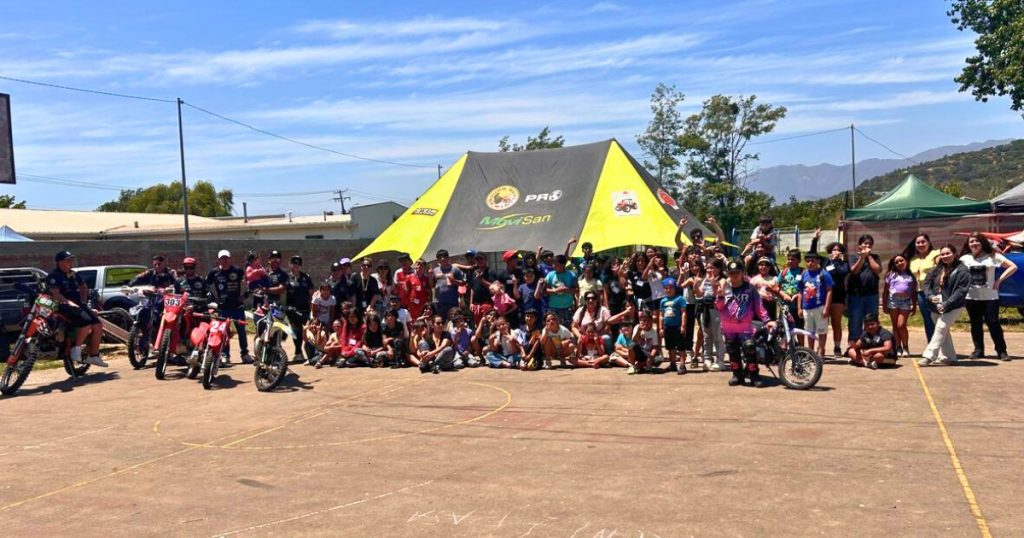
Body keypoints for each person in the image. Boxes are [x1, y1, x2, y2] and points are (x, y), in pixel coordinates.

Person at [960, 232, 1017, 361]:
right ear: (968, 244)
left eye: (977, 241)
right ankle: (978, 350)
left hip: (990, 297)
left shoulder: (993, 256)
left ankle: (1001, 351)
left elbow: (1013, 267)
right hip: (971, 297)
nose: (974, 244)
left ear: (982, 243)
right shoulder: (964, 258)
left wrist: (999, 281)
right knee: (975, 324)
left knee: (993, 323)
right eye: (971, 241)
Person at [717, 259, 773, 387]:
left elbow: (759, 306)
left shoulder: (750, 288)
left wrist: (767, 320)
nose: (734, 275)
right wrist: (719, 296)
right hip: (728, 326)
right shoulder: (725, 288)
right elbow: (719, 308)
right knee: (732, 350)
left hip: (745, 326)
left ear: (742, 272)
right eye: (731, 273)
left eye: (737, 272)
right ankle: (737, 374)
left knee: (749, 349)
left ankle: (754, 374)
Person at [46, 251, 107, 367]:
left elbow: (83, 286)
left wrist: (83, 301)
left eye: (71, 260)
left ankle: (93, 355)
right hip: (63, 306)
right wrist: (68, 302)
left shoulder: (73, 274)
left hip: (78, 305)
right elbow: (55, 294)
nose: (70, 262)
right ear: (59, 262)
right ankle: (76, 349)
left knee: (98, 325)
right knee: (86, 323)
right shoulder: (54, 276)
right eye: (67, 260)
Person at [919, 245, 970, 366]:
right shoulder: (937, 269)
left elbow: (961, 291)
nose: (945, 256)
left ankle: (929, 355)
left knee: (941, 327)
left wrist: (947, 303)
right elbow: (926, 284)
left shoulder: (963, 270)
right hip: (935, 305)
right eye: (943, 254)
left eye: (948, 254)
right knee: (943, 331)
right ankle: (949, 357)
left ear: (955, 254)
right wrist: (930, 296)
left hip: (954, 305)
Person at [206, 250, 250, 364]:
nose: (224, 261)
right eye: (222, 258)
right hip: (223, 308)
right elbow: (208, 286)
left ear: (230, 259)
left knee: (241, 331)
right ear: (218, 260)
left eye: (226, 258)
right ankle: (225, 355)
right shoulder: (214, 273)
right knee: (224, 332)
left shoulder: (238, 271)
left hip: (237, 307)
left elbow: (246, 285)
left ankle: (245, 354)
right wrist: (214, 299)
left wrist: (243, 296)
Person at [904, 234, 940, 342]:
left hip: (934, 291)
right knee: (927, 320)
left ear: (929, 243)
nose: (920, 244)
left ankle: (942, 346)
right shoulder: (913, 259)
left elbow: (942, 268)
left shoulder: (936, 254)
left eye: (923, 242)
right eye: (918, 243)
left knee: (937, 319)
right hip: (920, 292)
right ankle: (931, 345)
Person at [846, 235, 882, 343]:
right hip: (856, 295)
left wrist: (869, 256)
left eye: (870, 244)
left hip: (871, 295)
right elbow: (854, 270)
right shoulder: (853, 257)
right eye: (865, 243)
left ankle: (871, 343)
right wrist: (862, 257)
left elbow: (877, 270)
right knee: (855, 321)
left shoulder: (875, 257)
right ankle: (854, 346)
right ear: (859, 245)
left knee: (871, 321)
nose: (867, 246)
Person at [798, 252, 833, 359]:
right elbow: (800, 291)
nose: (810, 263)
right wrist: (800, 307)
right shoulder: (803, 274)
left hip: (820, 306)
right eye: (808, 261)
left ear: (818, 261)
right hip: (807, 308)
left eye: (813, 261)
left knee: (821, 330)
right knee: (809, 331)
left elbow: (829, 291)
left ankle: (821, 351)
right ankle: (811, 353)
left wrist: (827, 307)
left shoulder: (824, 274)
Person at [882, 254, 916, 357]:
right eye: (896, 262)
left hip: (906, 301)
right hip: (893, 300)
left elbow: (914, 292)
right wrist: (884, 304)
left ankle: (906, 347)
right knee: (895, 325)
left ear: (906, 261)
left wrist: (914, 305)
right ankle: (898, 347)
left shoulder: (911, 275)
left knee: (901, 325)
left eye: (901, 261)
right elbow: (885, 291)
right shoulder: (891, 274)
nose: (899, 263)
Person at [697, 258, 726, 371]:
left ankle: (720, 360)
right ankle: (707, 358)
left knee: (717, 336)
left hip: (716, 309)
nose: (709, 270)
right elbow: (699, 293)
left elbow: (719, 293)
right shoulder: (705, 279)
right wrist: (695, 285)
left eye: (712, 268)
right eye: (708, 267)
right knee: (706, 335)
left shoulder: (722, 280)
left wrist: (713, 282)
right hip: (705, 309)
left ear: (718, 269)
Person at [284, 255, 314, 360]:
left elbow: (311, 293)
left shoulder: (306, 277)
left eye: (298, 264)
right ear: (290, 265)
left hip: (305, 309)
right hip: (292, 309)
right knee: (296, 331)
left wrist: (312, 308)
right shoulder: (286, 277)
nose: (296, 266)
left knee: (306, 331)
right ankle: (298, 352)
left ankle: (311, 353)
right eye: (294, 263)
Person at [658, 277, 689, 374]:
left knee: (681, 347)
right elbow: (661, 315)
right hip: (667, 327)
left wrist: (683, 326)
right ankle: (672, 364)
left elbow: (684, 313)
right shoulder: (663, 301)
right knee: (670, 346)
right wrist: (660, 328)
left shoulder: (680, 299)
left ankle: (682, 365)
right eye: (666, 288)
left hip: (677, 326)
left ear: (675, 288)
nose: (668, 290)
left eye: (670, 288)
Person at [777, 249, 805, 344]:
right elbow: (776, 287)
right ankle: (789, 349)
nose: (790, 261)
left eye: (792, 259)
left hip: (798, 306)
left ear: (799, 260)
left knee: (799, 328)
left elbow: (807, 287)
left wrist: (798, 295)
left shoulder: (803, 272)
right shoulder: (784, 272)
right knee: (786, 328)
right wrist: (783, 295)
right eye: (788, 259)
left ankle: (802, 349)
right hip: (785, 306)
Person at [544, 255, 578, 328]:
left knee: (567, 328)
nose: (553, 266)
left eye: (555, 264)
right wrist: (555, 290)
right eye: (553, 264)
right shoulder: (550, 275)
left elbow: (576, 290)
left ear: (563, 264)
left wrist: (567, 290)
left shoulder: (572, 275)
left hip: (568, 307)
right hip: (553, 307)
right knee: (553, 328)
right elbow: (544, 290)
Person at [430, 250, 465, 321]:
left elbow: (462, 283)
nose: (442, 259)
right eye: (440, 257)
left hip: (452, 301)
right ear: (438, 259)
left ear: (448, 258)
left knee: (453, 322)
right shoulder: (435, 270)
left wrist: (453, 281)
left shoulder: (455, 269)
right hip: (439, 302)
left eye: (444, 257)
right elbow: (432, 285)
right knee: (440, 322)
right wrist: (430, 276)